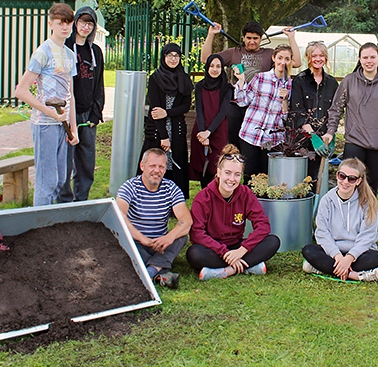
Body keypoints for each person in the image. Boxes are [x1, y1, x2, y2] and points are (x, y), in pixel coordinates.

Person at [15, 3, 79, 206]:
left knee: (61, 180)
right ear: (50, 23)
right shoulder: (42, 53)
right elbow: (21, 91)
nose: (65, 27)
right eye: (60, 23)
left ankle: (48, 224)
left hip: (63, 125)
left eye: (68, 23)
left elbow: (71, 95)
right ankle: (38, 228)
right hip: (45, 125)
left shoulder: (69, 55)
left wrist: (74, 128)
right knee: (47, 182)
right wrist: (50, 113)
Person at [200, 21, 301, 147]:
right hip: (236, 105)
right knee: (233, 143)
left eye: (255, 38)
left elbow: (296, 62)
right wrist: (211, 35)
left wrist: (291, 38)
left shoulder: (269, 54)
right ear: (243, 38)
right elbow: (205, 59)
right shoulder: (234, 53)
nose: (252, 41)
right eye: (248, 38)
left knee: (254, 147)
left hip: (258, 108)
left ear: (261, 39)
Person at [187, 144, 281, 280]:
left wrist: (242, 250)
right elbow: (196, 234)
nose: (232, 179)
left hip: (237, 247)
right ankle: (248, 266)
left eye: (237, 174)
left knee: (273, 241)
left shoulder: (245, 194)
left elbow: (263, 225)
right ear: (218, 172)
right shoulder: (203, 198)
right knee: (194, 253)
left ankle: (224, 271)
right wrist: (224, 253)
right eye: (227, 173)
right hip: (213, 248)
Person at [323, 42, 378, 194]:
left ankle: (368, 217)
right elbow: (336, 108)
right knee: (349, 184)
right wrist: (330, 131)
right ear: (359, 59)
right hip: (355, 141)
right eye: (365, 57)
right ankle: (348, 215)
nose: (369, 61)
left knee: (370, 187)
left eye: (372, 57)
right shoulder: (349, 81)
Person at [117, 148, 193, 289]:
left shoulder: (171, 188)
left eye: (161, 167)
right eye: (152, 166)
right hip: (137, 243)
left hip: (161, 244)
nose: (157, 171)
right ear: (142, 166)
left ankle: (148, 271)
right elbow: (119, 216)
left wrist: (169, 237)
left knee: (181, 237)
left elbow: (186, 220)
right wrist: (141, 238)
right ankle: (158, 272)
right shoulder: (129, 187)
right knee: (121, 240)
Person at [301, 158, 378, 282]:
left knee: (376, 258)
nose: (345, 182)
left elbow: (368, 236)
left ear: (358, 181)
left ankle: (322, 268)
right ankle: (357, 276)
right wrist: (339, 257)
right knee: (308, 250)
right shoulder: (327, 200)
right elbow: (322, 233)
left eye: (351, 179)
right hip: (334, 250)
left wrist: (349, 258)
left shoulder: (368, 203)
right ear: (337, 175)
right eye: (342, 176)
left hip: (359, 252)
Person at [58, 6, 105, 202]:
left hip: (87, 115)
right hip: (67, 114)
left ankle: (81, 200)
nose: (86, 27)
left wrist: (96, 113)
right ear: (75, 22)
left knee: (86, 161)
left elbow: (99, 84)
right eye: (82, 22)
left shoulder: (95, 51)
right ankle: (64, 201)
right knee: (65, 161)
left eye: (90, 23)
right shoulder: (64, 48)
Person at [234, 44, 293, 182]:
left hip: (272, 141)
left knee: (268, 178)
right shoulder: (260, 78)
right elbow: (242, 101)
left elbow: (286, 118)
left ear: (290, 61)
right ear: (273, 58)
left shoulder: (290, 84)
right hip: (250, 135)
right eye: (280, 58)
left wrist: (284, 100)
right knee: (249, 177)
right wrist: (241, 81)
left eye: (287, 59)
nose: (283, 62)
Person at [140, 43, 193, 198]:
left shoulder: (184, 78)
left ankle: (173, 203)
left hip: (176, 129)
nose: (173, 59)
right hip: (158, 130)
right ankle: (150, 199)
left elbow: (185, 106)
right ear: (164, 57)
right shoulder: (156, 78)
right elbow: (155, 111)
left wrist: (167, 112)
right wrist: (164, 136)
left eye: (176, 56)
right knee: (155, 164)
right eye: (170, 55)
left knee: (176, 166)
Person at [290, 41, 338, 190]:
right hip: (303, 140)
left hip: (323, 141)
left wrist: (331, 134)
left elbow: (335, 111)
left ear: (326, 58)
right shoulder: (300, 81)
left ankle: (317, 212)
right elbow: (298, 111)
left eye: (321, 55)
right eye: (314, 55)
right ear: (308, 57)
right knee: (301, 182)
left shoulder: (332, 83)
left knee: (319, 181)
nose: (318, 59)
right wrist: (312, 136)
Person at [189, 54, 232, 188]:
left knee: (216, 166)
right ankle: (205, 198)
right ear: (207, 67)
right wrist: (203, 133)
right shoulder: (200, 86)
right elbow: (199, 110)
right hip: (201, 131)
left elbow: (222, 112)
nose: (215, 69)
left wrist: (209, 132)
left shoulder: (227, 87)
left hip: (218, 130)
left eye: (218, 66)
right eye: (212, 66)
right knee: (203, 167)